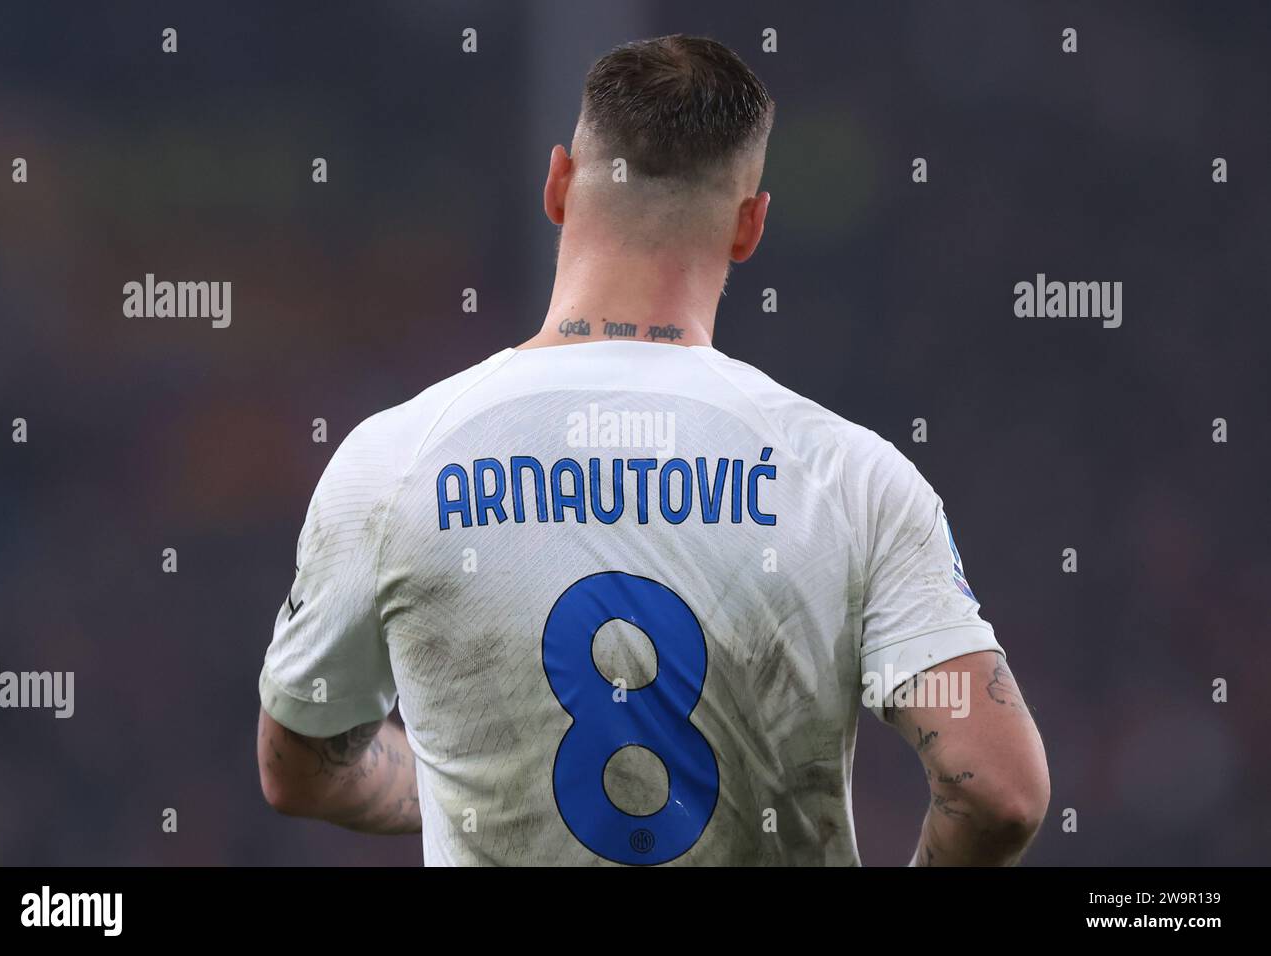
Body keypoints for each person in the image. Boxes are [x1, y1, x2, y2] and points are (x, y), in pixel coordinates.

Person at [256, 34, 1049, 866]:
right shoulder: (854, 478)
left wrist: (461, 791)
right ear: (750, 226)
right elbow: (998, 792)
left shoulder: (393, 460)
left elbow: (298, 767)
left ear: (558, 184)